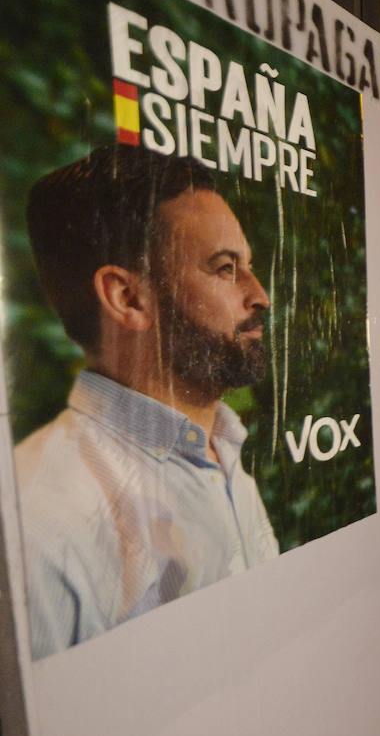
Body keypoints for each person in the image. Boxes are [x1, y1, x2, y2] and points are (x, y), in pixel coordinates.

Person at [18, 144, 279, 659]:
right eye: (226, 268)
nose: (260, 295)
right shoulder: (39, 524)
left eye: (247, 265)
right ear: (127, 298)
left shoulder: (221, 451)